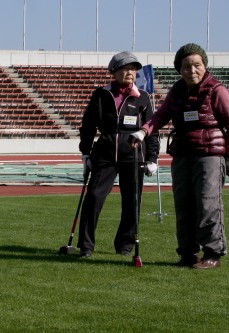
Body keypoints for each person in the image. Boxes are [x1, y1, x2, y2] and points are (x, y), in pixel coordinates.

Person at [129, 43, 229, 269]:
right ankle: (187, 253)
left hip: (209, 155)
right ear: (178, 69)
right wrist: (143, 131)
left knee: (208, 204)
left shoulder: (217, 90)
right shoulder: (176, 91)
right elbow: (161, 116)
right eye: (186, 66)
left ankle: (213, 254)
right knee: (183, 205)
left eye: (196, 65)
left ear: (205, 66)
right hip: (183, 153)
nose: (191, 71)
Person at [77, 51, 160, 258]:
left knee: (132, 202)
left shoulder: (143, 98)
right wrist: (85, 153)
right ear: (114, 71)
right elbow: (88, 126)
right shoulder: (101, 94)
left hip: (133, 156)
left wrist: (152, 158)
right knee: (94, 197)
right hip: (104, 154)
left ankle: (125, 245)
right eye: (126, 68)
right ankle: (86, 246)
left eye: (133, 69)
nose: (131, 72)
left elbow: (151, 129)